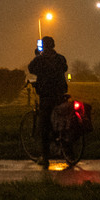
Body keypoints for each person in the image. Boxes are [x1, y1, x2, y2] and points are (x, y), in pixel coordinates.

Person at [27, 35, 68, 168]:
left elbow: (31, 68)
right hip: (61, 94)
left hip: (47, 95)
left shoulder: (40, 59)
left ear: (43, 46)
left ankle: (45, 157)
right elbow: (65, 68)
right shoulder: (61, 58)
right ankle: (68, 151)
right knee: (62, 121)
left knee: (44, 125)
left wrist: (38, 55)